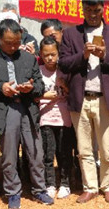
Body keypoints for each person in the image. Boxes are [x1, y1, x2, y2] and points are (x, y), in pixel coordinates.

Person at [0, 19, 53, 209]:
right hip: (4, 109)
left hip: (27, 109)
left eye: (17, 42)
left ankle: (39, 189)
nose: (14, 46)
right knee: (9, 155)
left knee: (35, 152)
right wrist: (0, 88)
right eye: (9, 43)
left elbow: (40, 85)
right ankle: (13, 191)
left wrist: (31, 88)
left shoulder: (28, 58)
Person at [58, 0, 109, 204]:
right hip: (80, 99)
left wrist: (105, 55)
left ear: (103, 9)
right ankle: (90, 187)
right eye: (88, 10)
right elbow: (64, 63)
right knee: (84, 148)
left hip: (106, 100)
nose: (93, 14)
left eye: (96, 10)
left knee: (107, 148)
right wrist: (83, 55)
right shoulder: (71, 34)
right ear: (82, 9)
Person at [39, 36, 76, 200]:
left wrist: (64, 86)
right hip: (45, 118)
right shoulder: (38, 71)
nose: (49, 58)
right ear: (41, 54)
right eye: (46, 55)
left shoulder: (64, 71)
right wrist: (44, 95)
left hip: (64, 118)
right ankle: (50, 184)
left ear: (58, 54)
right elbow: (33, 94)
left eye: (53, 54)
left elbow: (73, 93)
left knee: (64, 153)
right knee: (48, 154)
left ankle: (65, 184)